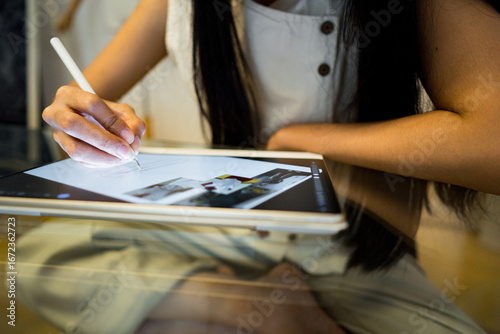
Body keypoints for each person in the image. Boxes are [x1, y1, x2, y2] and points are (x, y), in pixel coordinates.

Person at [19, 0, 499, 332]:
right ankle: (253, 310)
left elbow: (490, 144)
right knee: (36, 259)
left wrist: (296, 139)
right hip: (224, 225)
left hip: (351, 254)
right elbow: (83, 103)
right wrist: (77, 117)